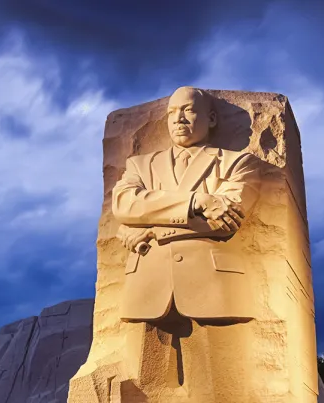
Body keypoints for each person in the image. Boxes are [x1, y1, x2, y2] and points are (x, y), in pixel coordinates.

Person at [110, 86, 263, 400]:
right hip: (147, 283)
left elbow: (224, 222)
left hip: (212, 284)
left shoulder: (238, 163)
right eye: (172, 112)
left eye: (188, 110)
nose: (178, 119)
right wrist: (198, 201)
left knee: (219, 387)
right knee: (142, 385)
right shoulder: (141, 165)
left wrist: (148, 227)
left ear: (210, 118)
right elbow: (124, 206)